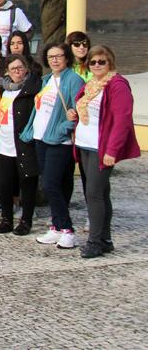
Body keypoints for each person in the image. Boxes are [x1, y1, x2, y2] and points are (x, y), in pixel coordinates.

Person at [73, 45, 141, 257]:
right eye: (92, 62)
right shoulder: (91, 84)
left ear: (110, 62)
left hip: (101, 148)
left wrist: (112, 150)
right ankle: (105, 239)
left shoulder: (117, 85)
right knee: (101, 193)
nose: (96, 65)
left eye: (101, 61)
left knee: (93, 194)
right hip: (85, 144)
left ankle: (94, 242)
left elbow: (122, 121)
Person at [20, 42, 84, 249]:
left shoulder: (73, 80)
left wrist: (62, 129)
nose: (54, 60)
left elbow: (78, 110)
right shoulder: (48, 80)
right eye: (50, 57)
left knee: (50, 184)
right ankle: (56, 226)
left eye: (58, 56)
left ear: (66, 57)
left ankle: (67, 229)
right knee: (58, 184)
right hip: (41, 138)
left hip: (59, 141)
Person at [0, 53, 41, 235]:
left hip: (23, 143)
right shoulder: (3, 89)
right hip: (4, 144)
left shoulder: (31, 90)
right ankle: (7, 219)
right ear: (7, 71)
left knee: (27, 183)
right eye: (13, 69)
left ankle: (26, 220)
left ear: (26, 70)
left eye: (19, 68)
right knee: (5, 184)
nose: (16, 72)